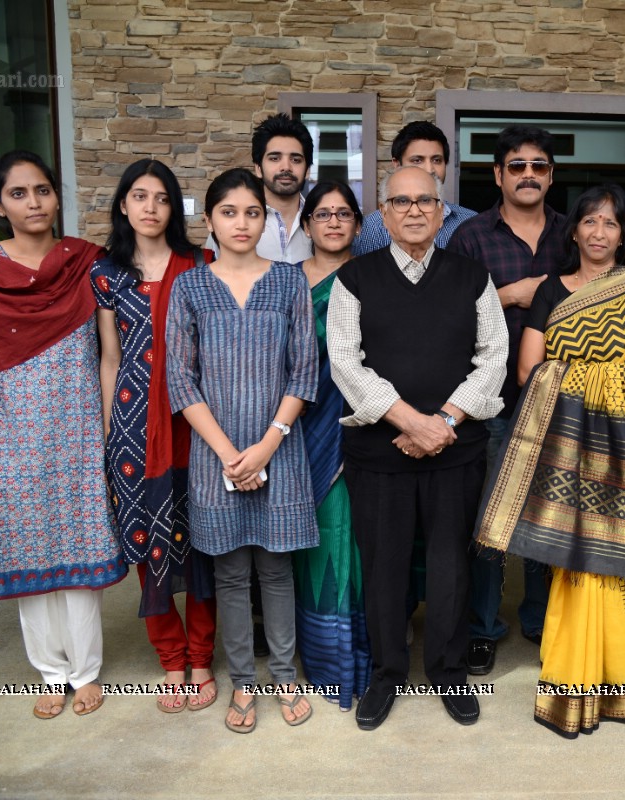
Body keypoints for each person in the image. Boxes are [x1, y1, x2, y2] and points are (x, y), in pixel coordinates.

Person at [476, 184, 625, 739]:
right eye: (589, 222)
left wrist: (586, 381)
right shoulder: (551, 290)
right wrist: (596, 384)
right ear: (573, 231)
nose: (598, 232)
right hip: (564, 451)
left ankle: (620, 684)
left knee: (618, 565)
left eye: (610, 224)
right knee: (571, 566)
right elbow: (528, 373)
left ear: (624, 235)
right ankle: (572, 682)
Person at [0, 150, 125, 719]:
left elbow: (109, 356)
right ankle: (50, 672)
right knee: (27, 555)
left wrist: (111, 436)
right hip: (11, 434)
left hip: (81, 432)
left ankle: (85, 671)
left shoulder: (85, 263)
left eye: (42, 190)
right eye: (18, 193)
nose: (33, 203)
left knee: (83, 551)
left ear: (57, 196)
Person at [328, 166, 508, 731]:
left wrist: (443, 421)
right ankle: (386, 673)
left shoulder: (471, 276)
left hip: (455, 450)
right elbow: (344, 361)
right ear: (382, 212)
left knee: (453, 563)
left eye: (424, 201)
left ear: (440, 210)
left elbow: (494, 357)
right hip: (379, 455)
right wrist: (409, 419)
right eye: (400, 201)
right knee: (385, 566)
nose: (413, 210)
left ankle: (450, 670)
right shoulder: (354, 280)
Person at [165, 167, 319, 733]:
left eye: (252, 212)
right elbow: (180, 381)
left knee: (277, 573)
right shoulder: (190, 286)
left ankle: (283, 675)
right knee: (230, 576)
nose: (241, 222)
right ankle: (242, 683)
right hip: (215, 456)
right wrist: (234, 454)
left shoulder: (288, 283)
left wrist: (266, 447)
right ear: (209, 221)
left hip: (280, 448)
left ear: (266, 220)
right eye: (228, 212)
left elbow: (304, 373)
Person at [92, 158, 218, 714]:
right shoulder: (106, 274)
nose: (150, 207)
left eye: (161, 198)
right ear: (123, 205)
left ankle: (201, 658)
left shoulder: (201, 265)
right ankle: (170, 659)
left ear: (174, 208)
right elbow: (110, 359)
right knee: (149, 545)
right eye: (139, 197)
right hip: (134, 430)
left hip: (196, 425)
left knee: (202, 548)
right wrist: (106, 434)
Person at [447, 125, 565, 675]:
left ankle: (543, 621)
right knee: (491, 518)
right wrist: (509, 295)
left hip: (560, 402)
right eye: (516, 166)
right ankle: (484, 627)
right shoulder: (472, 237)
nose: (528, 175)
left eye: (538, 166)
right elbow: (446, 314)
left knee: (548, 516)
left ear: (550, 175)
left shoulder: (572, 233)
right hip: (490, 400)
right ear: (498, 175)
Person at [291, 180, 372, 711]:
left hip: (361, 428)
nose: (334, 223)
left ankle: (358, 659)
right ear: (307, 225)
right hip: (298, 428)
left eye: (344, 214)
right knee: (313, 541)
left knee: (355, 545)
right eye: (323, 214)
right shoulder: (286, 284)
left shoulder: (373, 280)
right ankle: (321, 660)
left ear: (359, 226)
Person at [351, 121, 476, 256]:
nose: (429, 169)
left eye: (437, 160)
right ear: (397, 164)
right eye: (417, 160)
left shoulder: (471, 224)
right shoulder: (369, 229)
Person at [205, 112, 314, 264]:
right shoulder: (232, 225)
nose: (286, 167)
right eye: (274, 158)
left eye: (295, 160)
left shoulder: (320, 220)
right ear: (258, 168)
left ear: (307, 169)